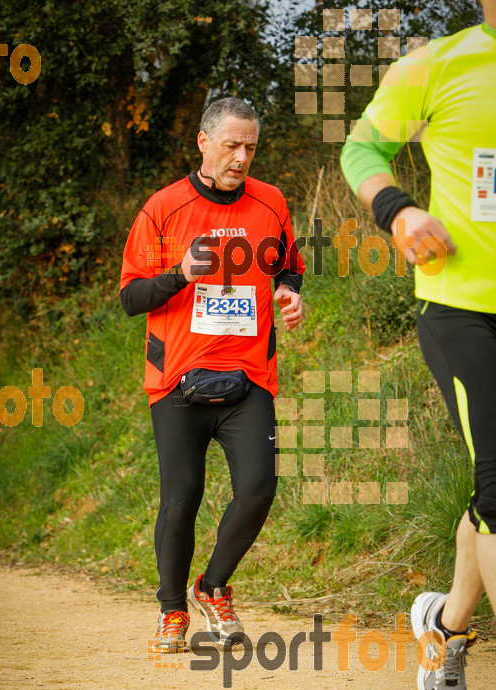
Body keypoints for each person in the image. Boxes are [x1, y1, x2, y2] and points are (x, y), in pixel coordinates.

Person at [340, 0, 496, 690]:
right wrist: (397, 209)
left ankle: (446, 627)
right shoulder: (440, 64)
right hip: (461, 305)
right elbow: (360, 146)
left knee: (492, 493)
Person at [120, 97, 305, 654]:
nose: (242, 157)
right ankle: (173, 610)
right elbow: (131, 296)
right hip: (177, 380)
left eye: (250, 147)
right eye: (231, 145)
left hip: (248, 378)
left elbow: (289, 267)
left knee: (258, 489)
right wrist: (179, 274)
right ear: (203, 142)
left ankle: (213, 585)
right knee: (182, 498)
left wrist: (290, 294)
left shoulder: (271, 203)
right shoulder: (164, 208)